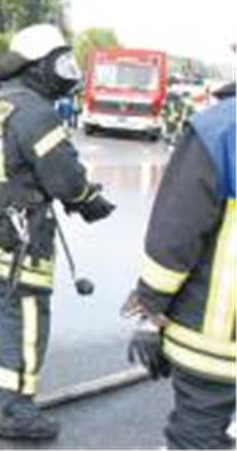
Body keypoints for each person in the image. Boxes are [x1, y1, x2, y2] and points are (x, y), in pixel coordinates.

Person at [0, 24, 115, 441]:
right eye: (60, 63)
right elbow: (63, 175)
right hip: (19, 242)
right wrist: (89, 200)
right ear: (38, 66)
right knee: (23, 320)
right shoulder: (35, 112)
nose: (66, 72)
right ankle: (14, 410)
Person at [121, 80, 234, 449]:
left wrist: (150, 310)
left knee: (196, 435)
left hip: (217, 336)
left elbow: (175, 236)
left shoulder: (221, 129)